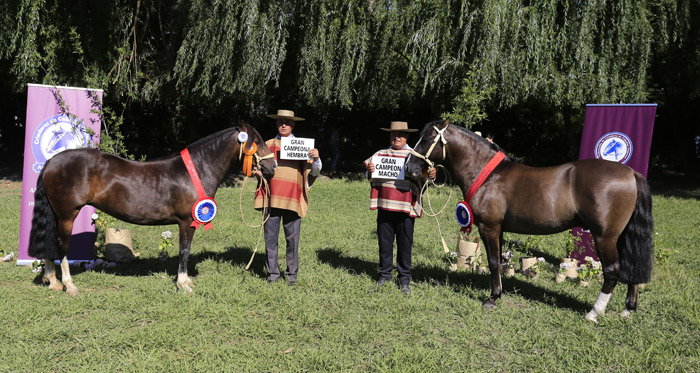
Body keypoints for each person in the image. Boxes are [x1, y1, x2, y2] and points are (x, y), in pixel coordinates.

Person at [364, 121, 436, 295]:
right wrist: (370, 170)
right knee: (385, 243)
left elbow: (424, 178)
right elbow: (369, 174)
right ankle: (384, 275)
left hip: (406, 207)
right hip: (385, 205)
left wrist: (431, 175)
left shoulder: (415, 155)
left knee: (405, 245)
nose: (397, 137)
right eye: (393, 134)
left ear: (407, 136)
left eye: (401, 134)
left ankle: (404, 278)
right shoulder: (380, 154)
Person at [254, 109, 321, 286]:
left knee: (292, 239)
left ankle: (292, 275)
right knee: (271, 238)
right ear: (276, 124)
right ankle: (273, 274)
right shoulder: (267, 145)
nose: (284, 125)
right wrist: (257, 173)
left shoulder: (303, 146)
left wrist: (316, 159)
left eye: (287, 122)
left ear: (293, 125)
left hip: (292, 198)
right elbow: (261, 170)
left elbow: (313, 172)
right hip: (272, 198)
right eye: (280, 122)